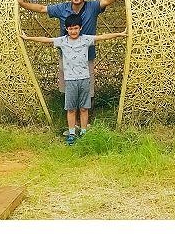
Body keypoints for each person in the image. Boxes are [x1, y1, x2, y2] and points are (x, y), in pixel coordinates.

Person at [17, 0, 125, 126]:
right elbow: (42, 9)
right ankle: (71, 121)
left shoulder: (92, 6)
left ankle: (85, 122)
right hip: (66, 58)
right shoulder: (62, 8)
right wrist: (23, 4)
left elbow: (106, 1)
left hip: (87, 57)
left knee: (88, 89)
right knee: (68, 88)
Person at [22, 15, 125, 144]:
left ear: (80, 28)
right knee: (71, 109)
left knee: (84, 108)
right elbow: (46, 40)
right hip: (70, 80)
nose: (73, 31)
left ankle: (83, 132)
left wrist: (120, 34)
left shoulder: (86, 40)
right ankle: (71, 133)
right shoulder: (63, 41)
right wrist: (28, 38)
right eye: (70, 29)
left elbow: (102, 37)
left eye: (76, 28)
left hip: (84, 79)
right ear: (66, 29)